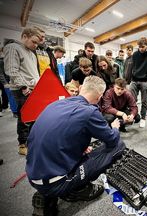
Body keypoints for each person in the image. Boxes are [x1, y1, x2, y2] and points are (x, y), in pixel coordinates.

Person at [26, 75, 125, 215]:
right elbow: (112, 140)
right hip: (56, 182)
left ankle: (47, 192)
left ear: (80, 88)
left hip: (33, 174)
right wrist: (114, 127)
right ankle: (77, 190)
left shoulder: (55, 104)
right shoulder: (90, 111)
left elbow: (52, 135)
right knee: (118, 145)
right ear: (99, 96)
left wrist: (80, 147)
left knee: (85, 150)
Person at [3, 27, 41, 155]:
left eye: (37, 43)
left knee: (34, 116)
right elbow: (12, 71)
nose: (35, 45)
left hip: (33, 88)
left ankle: (32, 140)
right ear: (25, 36)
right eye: (34, 42)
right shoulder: (13, 47)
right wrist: (24, 87)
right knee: (25, 116)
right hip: (22, 89)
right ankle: (22, 144)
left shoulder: (30, 51)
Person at [129, 37, 147, 128]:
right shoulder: (135, 54)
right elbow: (133, 66)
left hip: (145, 81)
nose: (141, 48)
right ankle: (134, 115)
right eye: (139, 47)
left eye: (143, 46)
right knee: (132, 100)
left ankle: (143, 118)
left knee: (144, 101)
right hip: (134, 80)